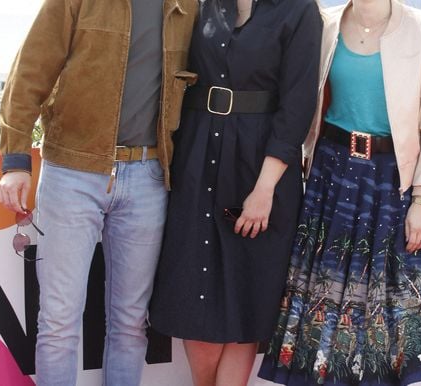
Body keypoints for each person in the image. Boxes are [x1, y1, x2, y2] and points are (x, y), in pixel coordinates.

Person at [0, 0, 197, 384]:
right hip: (73, 172)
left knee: (131, 323)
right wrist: (16, 161)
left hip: (149, 176)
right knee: (58, 320)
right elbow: (29, 72)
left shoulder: (188, 6)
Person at [258, 0, 421, 384]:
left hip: (391, 182)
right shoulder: (324, 23)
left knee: (380, 310)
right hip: (328, 177)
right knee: (321, 301)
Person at [147, 0, 322, 385]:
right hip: (196, 156)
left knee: (246, 295)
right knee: (193, 293)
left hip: (262, 166)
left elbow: (297, 106)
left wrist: (265, 189)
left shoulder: (299, 10)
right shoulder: (203, 4)